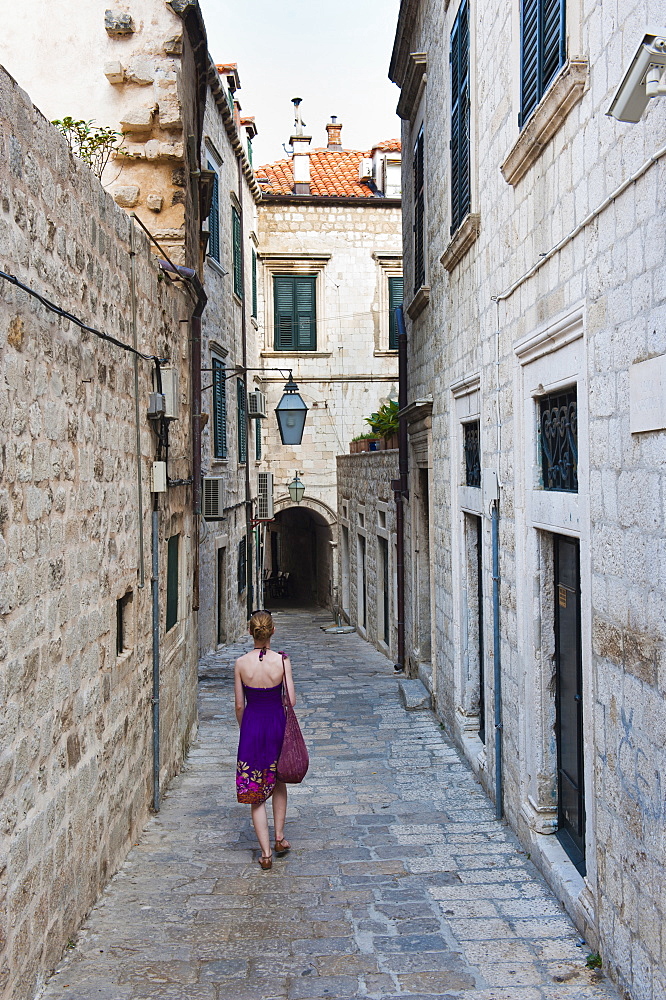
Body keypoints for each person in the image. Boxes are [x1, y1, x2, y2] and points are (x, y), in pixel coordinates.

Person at [234, 610, 296, 870]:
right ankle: (279, 836)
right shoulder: (282, 661)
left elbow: (239, 705)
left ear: (250, 631)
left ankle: (266, 853)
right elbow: (290, 700)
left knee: (255, 792)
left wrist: (245, 726)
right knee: (278, 779)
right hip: (276, 725)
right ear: (273, 630)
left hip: (252, 727)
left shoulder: (240, 664)